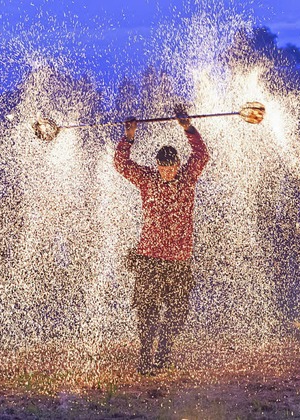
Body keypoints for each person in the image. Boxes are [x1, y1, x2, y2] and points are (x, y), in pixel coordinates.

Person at [114, 106, 209, 375]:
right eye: (163, 167)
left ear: (178, 165)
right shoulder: (147, 180)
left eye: (172, 167)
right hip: (149, 260)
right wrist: (129, 136)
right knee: (147, 312)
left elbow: (202, 155)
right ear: (157, 166)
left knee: (178, 314)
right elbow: (121, 164)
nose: (168, 172)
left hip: (179, 262)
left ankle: (164, 352)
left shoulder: (188, 178)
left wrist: (188, 128)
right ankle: (145, 358)